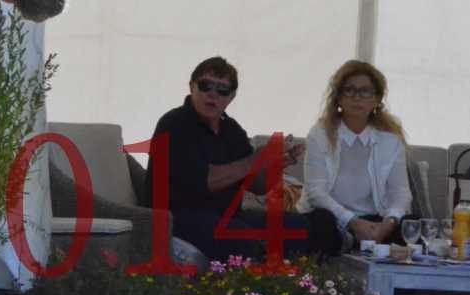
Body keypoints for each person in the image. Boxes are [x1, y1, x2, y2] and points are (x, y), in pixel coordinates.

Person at [145, 56, 340, 265]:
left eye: (222, 90)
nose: (212, 94)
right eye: (205, 86)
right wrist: (258, 158)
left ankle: (314, 287)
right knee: (242, 239)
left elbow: (257, 186)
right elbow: (207, 181)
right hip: (176, 218)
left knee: (314, 224)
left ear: (231, 97)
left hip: (228, 216)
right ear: (192, 86)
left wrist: (276, 164)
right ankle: (265, 285)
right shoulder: (174, 124)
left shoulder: (231, 130)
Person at [301, 60, 410, 249]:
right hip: (334, 217)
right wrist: (352, 222)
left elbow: (400, 193)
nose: (357, 98)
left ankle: (363, 241)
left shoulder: (390, 140)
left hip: (374, 220)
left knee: (411, 223)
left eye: (365, 91)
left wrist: (388, 224)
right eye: (349, 90)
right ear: (339, 98)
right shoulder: (320, 134)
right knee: (320, 222)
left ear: (376, 99)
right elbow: (315, 192)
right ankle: (351, 241)